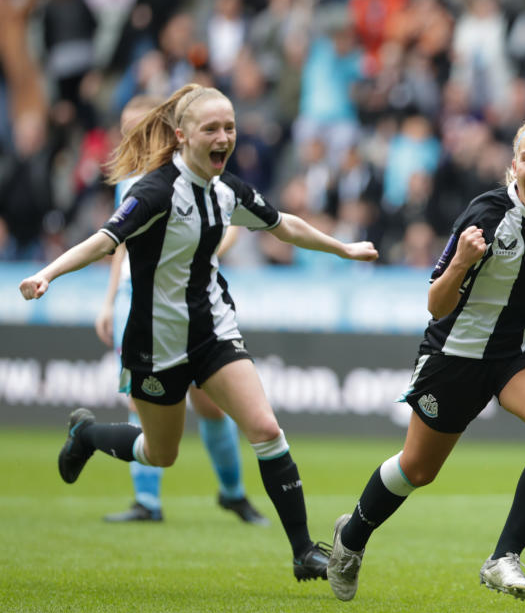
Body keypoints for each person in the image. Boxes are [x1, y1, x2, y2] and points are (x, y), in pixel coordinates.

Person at [19, 83, 379, 582]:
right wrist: (47, 275)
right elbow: (103, 241)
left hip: (213, 333)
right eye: (212, 128)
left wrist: (343, 249)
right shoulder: (154, 192)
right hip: (155, 344)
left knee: (267, 430)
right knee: (159, 453)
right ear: (181, 135)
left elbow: (282, 225)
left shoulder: (227, 189)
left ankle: (303, 552)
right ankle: (87, 433)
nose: (224, 136)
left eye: (229, 127)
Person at [324, 115, 525, 602]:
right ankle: (352, 537)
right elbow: (436, 304)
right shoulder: (485, 215)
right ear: (513, 167)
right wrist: (462, 261)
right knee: (418, 469)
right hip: (458, 353)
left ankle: (503, 557)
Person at [94, 95, 265, 524]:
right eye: (123, 126)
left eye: (136, 126)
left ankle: (232, 492)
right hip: (140, 304)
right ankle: (147, 502)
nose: (127, 135)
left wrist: (206, 252)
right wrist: (111, 299)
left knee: (209, 405)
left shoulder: (193, 172)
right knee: (141, 405)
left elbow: (231, 226)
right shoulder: (129, 181)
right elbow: (118, 244)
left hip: (188, 302)